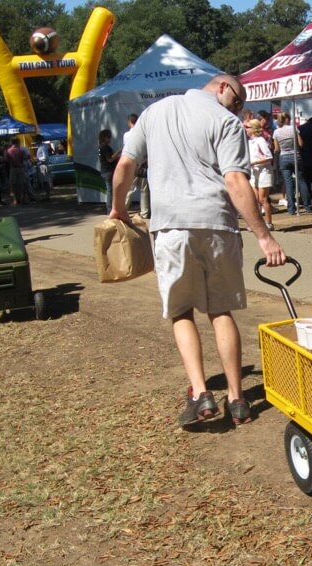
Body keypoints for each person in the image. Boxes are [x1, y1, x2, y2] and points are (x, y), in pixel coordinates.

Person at [108, 73, 286, 428]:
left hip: (171, 226)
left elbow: (126, 165)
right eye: (237, 102)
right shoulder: (224, 122)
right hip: (217, 223)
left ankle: (202, 393)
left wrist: (118, 207)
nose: (238, 111)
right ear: (222, 86)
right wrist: (264, 236)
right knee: (221, 310)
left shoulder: (154, 113)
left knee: (181, 311)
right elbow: (235, 180)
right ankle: (237, 399)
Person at [273, 111, 312, 214]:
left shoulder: (276, 132)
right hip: (296, 156)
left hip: (284, 157)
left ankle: (291, 209)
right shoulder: (294, 129)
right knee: (301, 180)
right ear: (287, 119)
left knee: (288, 183)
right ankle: (308, 206)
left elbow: (277, 149)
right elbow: (301, 143)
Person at [247, 118, 274, 230]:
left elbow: (269, 157)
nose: (246, 129)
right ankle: (257, 224)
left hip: (264, 171)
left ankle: (269, 223)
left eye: (248, 127)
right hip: (254, 172)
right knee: (255, 199)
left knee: (262, 199)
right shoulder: (249, 142)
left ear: (254, 129)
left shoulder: (261, 140)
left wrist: (254, 162)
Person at [123, 114, 150, 218]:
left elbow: (127, 151)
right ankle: (145, 212)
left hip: (132, 164)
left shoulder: (126, 135)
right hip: (143, 164)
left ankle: (124, 209)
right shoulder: (144, 134)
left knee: (129, 188)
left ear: (129, 122)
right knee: (144, 190)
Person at [98, 128, 119, 214]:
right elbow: (109, 159)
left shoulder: (101, 147)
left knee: (111, 191)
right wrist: (118, 152)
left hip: (105, 171)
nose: (110, 139)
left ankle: (111, 209)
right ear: (104, 137)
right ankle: (110, 210)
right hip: (108, 171)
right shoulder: (105, 147)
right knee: (111, 192)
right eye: (108, 137)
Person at [5, 137, 27, 205]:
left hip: (12, 169)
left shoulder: (8, 151)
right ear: (18, 142)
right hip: (20, 168)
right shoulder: (21, 151)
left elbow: (6, 160)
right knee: (21, 184)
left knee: (13, 185)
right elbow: (24, 158)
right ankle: (22, 199)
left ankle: (15, 200)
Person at [34, 134, 52, 201]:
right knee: (44, 181)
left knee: (45, 181)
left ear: (39, 140)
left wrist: (38, 159)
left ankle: (47, 196)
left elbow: (45, 157)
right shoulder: (40, 146)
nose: (35, 141)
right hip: (41, 165)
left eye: (36, 140)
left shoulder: (43, 147)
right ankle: (47, 195)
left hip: (43, 165)